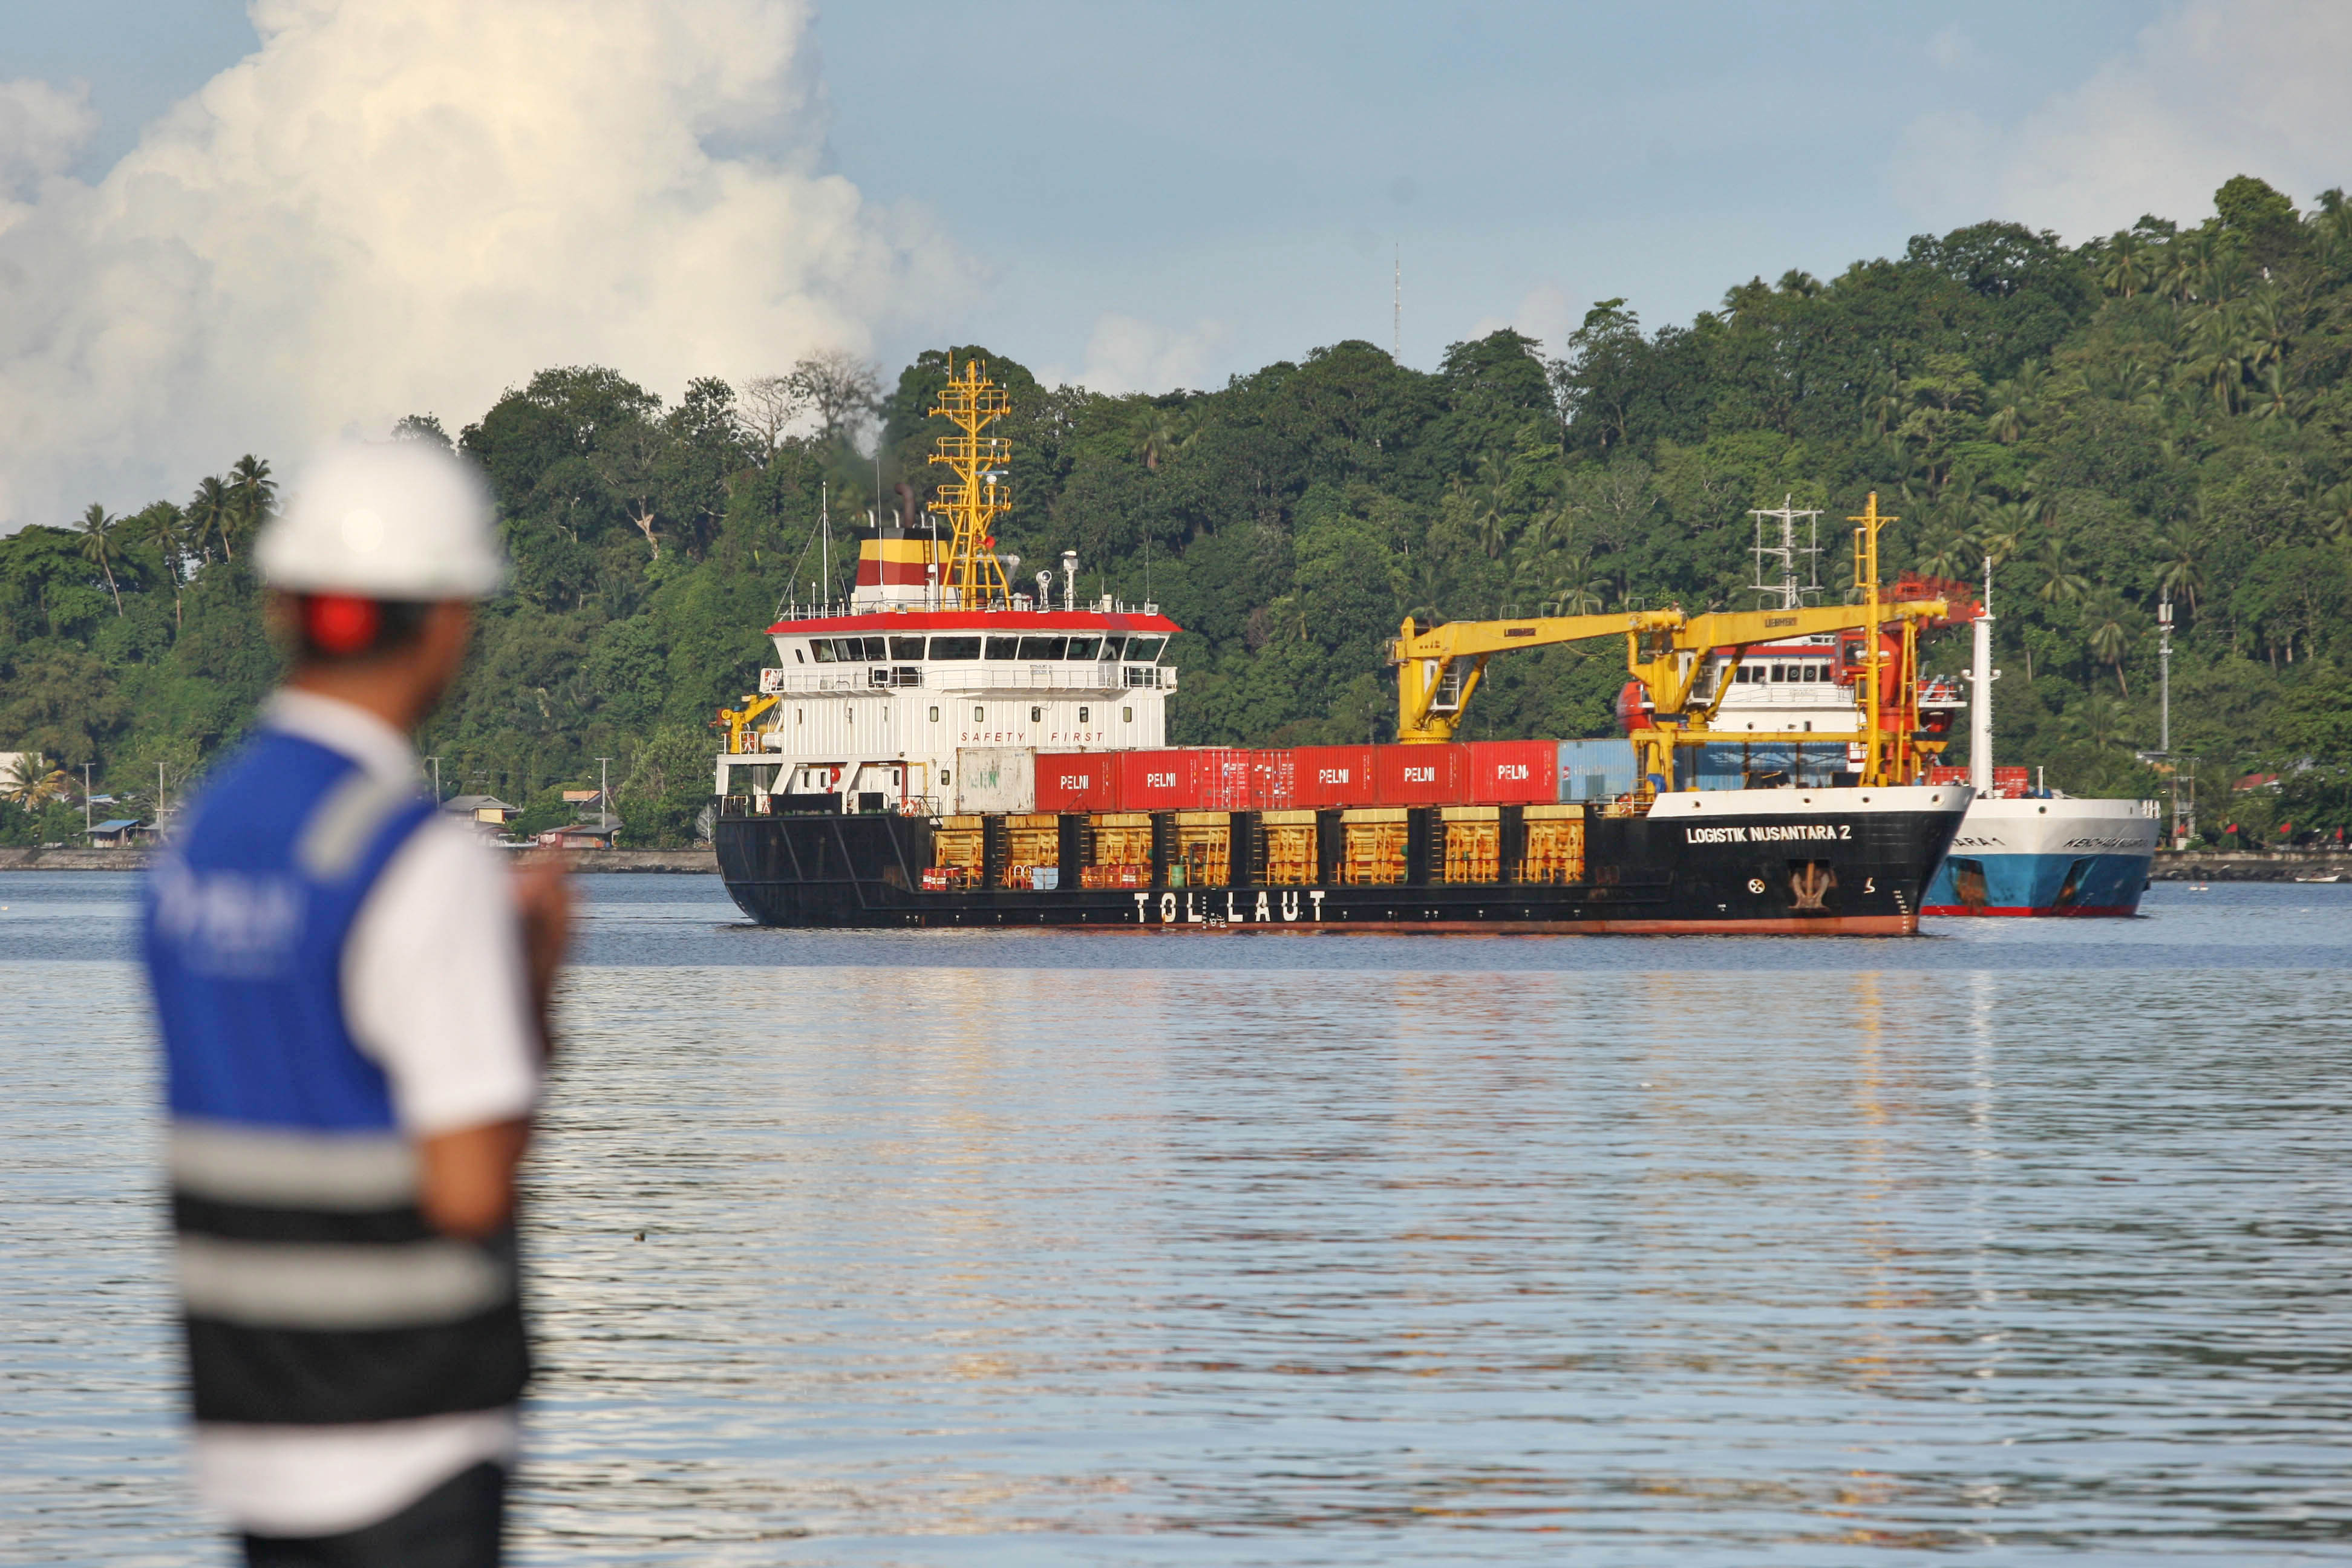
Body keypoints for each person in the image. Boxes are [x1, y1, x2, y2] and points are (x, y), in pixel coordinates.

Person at [142, 440, 570, 1567]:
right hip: (410, 1431)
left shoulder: (198, 848)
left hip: (250, 1423)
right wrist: (531, 994)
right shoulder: (411, 863)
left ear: (283, 605)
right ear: (450, 627)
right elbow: (471, 1186)